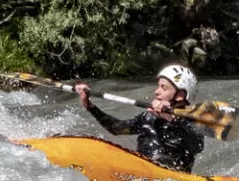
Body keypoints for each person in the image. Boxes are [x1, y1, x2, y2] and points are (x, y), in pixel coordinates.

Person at [73, 64, 207, 173]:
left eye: (163, 87)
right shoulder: (147, 117)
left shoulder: (192, 121)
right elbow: (117, 128)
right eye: (158, 86)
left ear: (180, 95)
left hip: (172, 178)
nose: (156, 91)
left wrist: (170, 119)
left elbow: (198, 145)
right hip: (142, 170)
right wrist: (90, 106)